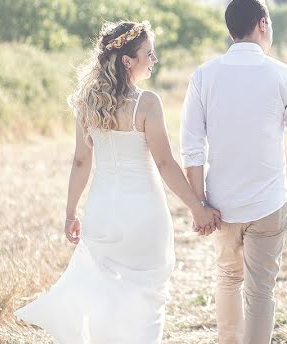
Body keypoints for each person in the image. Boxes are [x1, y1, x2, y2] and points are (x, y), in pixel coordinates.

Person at [15, 20, 221, 343]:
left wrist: (71, 212)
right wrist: (197, 207)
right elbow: (165, 163)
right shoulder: (147, 104)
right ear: (128, 61)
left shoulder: (88, 104)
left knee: (104, 301)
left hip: (102, 213)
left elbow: (81, 161)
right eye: (148, 54)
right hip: (144, 215)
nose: (154, 60)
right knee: (148, 298)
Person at [180, 0, 287, 344]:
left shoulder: (203, 76)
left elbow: (192, 150)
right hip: (269, 204)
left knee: (228, 278)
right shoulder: (283, 76)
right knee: (260, 292)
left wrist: (199, 206)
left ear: (232, 33)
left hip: (222, 206)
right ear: (263, 25)